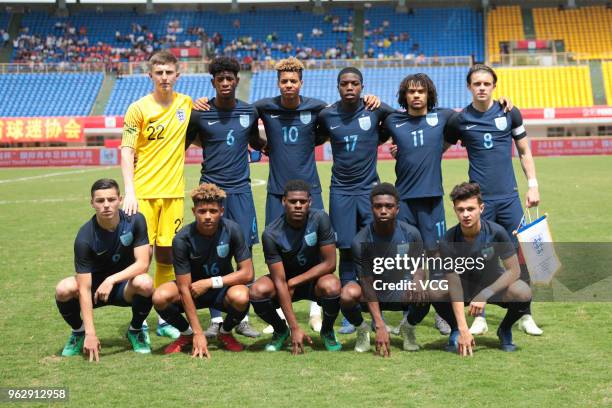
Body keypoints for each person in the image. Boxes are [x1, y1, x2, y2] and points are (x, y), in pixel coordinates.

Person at [193, 57, 380, 332]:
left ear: (301, 83)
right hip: (276, 192)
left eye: (294, 81)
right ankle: (280, 311)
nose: (289, 85)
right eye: (284, 81)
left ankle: (317, 310)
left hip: (310, 191)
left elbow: (340, 115)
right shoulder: (263, 108)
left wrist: (368, 99)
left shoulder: (318, 108)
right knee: (276, 250)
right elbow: (235, 121)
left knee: (316, 249)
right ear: (278, 84)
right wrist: (201, 103)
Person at [444, 64, 542, 336]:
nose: (482, 87)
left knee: (519, 258)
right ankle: (480, 316)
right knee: (478, 259)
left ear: (494, 86)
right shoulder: (460, 120)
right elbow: (436, 148)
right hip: (479, 203)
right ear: (469, 87)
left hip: (509, 198)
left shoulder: (509, 112)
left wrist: (532, 185)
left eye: (487, 83)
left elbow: (524, 152)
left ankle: (525, 315)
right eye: (477, 83)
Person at [186, 56, 264, 339]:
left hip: (241, 191)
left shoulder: (249, 112)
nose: (226, 83)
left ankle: (241, 317)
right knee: (210, 252)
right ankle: (216, 319)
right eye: (220, 79)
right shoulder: (199, 113)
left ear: (237, 81)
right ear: (213, 83)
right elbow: (183, 142)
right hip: (211, 193)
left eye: (230, 79)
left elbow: (256, 142)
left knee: (245, 251)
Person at [120, 50, 192, 340]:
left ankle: (164, 316)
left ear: (178, 75)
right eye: (159, 72)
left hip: (173, 195)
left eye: (169, 72)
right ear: (150, 75)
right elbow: (127, 150)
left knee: (168, 257)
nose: (164, 77)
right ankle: (140, 318)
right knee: (141, 259)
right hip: (144, 195)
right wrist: (129, 191)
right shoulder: (138, 108)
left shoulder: (186, 104)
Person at [316, 67, 393, 334]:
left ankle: (377, 310)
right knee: (347, 249)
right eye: (345, 84)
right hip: (341, 191)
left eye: (355, 83)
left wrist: (380, 103)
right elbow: (312, 135)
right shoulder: (327, 115)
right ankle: (350, 313)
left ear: (362, 86)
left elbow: (399, 118)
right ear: (338, 87)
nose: (350, 87)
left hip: (369, 190)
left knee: (375, 250)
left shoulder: (375, 111)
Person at [55, 179, 153, 361]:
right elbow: (84, 288)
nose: (106, 205)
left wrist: (111, 280)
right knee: (63, 288)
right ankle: (79, 332)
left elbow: (143, 263)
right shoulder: (85, 237)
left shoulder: (136, 220)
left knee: (145, 282)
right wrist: (91, 333)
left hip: (123, 288)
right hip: (94, 290)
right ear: (92, 203)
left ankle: (136, 330)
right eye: (100, 201)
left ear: (120, 199)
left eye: (111, 199)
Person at [152, 184, 254, 357]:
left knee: (242, 295)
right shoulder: (182, 239)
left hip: (221, 290)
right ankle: (186, 335)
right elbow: (184, 288)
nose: (208, 216)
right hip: (192, 290)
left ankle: (226, 332)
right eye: (202, 211)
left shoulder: (232, 229)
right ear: (194, 211)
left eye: (213, 211)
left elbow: (247, 273)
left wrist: (210, 282)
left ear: (221, 211)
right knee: (159, 296)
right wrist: (198, 333)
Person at [432, 182, 533, 354]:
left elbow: (514, 270)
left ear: (481, 208)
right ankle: (455, 329)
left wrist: (485, 294)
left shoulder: (496, 232)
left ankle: (505, 330)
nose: (465, 214)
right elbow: (454, 284)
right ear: (455, 210)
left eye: (470, 209)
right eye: (460, 209)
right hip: (464, 289)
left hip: (492, 287)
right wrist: (463, 328)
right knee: (434, 290)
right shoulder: (447, 240)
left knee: (523, 291)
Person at [250, 180, 342, 354]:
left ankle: (328, 330)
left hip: (315, 281)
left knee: (332, 285)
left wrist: (295, 282)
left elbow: (330, 264)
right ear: (284, 201)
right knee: (257, 291)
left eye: (302, 201)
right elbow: (279, 280)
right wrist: (295, 327)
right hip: (285, 282)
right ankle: (281, 330)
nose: (298, 205)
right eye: (293, 202)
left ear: (310, 202)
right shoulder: (271, 233)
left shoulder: (320, 218)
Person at [339, 183, 430, 355]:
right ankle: (362, 329)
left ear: (397, 208)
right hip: (372, 293)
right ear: (371, 208)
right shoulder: (361, 241)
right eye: (378, 206)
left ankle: (408, 328)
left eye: (388, 206)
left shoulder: (411, 233)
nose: (383, 210)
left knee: (427, 291)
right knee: (347, 294)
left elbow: (419, 266)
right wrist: (379, 325)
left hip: (399, 291)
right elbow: (366, 284)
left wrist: (418, 280)